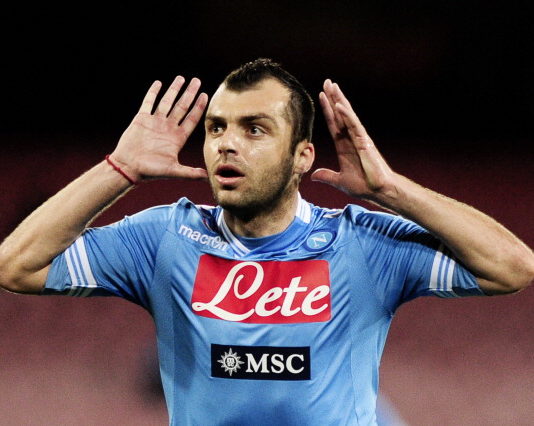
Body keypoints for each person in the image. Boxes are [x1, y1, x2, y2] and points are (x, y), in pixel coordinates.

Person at [0, 58, 532, 425]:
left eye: (254, 129)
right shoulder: (164, 239)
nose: (227, 143)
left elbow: (513, 267)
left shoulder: (360, 244)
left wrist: (391, 191)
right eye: (216, 128)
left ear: (302, 156)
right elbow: (16, 267)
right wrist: (119, 169)